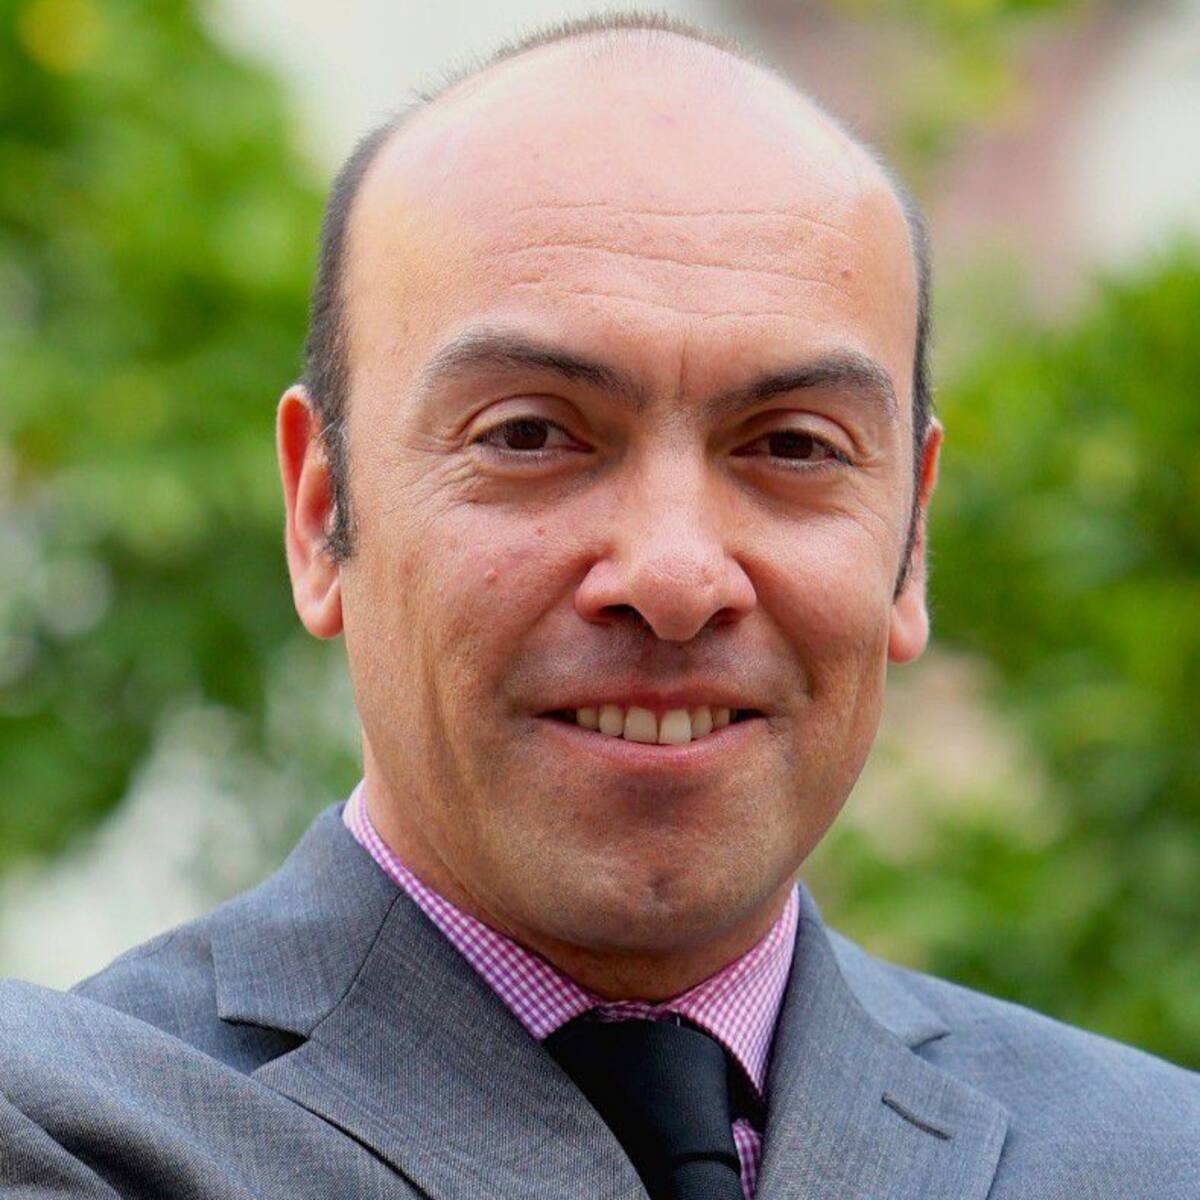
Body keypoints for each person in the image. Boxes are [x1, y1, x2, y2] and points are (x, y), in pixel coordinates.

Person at [2, 13, 1196, 1199]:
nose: (674, 578)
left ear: (912, 539)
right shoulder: (70, 1135)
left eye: (793, 445)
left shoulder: (1155, 1156)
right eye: (529, 435)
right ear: (322, 512)